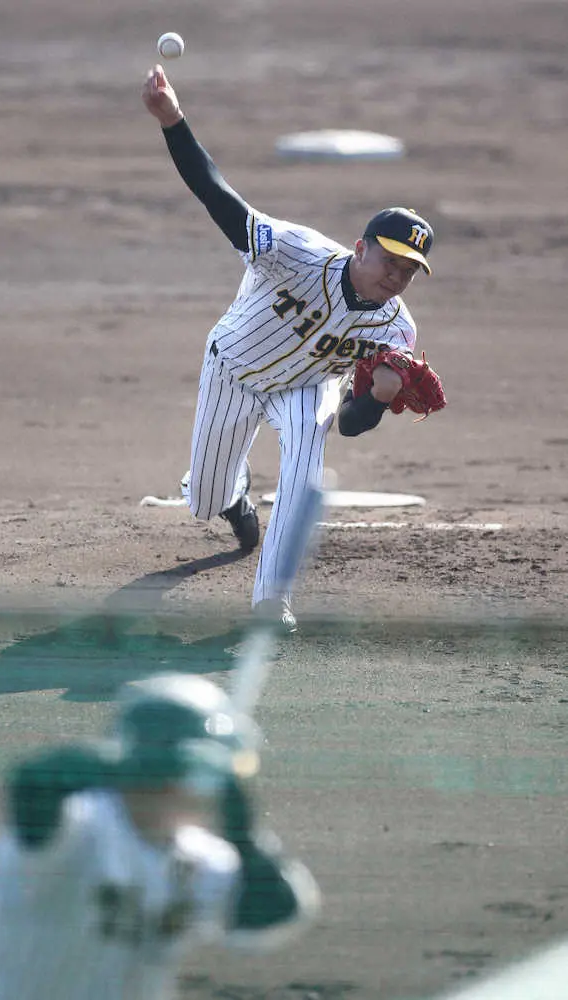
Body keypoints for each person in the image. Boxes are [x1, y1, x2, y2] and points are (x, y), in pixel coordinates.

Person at [142, 66, 435, 633]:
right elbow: (219, 198)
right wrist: (173, 122)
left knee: (305, 468)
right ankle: (234, 499)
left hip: (307, 387)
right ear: (360, 248)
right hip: (234, 367)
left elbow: (349, 425)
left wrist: (376, 397)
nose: (397, 276)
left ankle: (270, 602)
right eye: (389, 260)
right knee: (202, 500)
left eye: (410, 270)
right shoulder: (295, 251)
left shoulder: (397, 332)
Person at [0, 672, 320, 1000]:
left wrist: (245, 835)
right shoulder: (79, 826)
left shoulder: (201, 859)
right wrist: (132, 765)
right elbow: (32, 784)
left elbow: (276, 912)